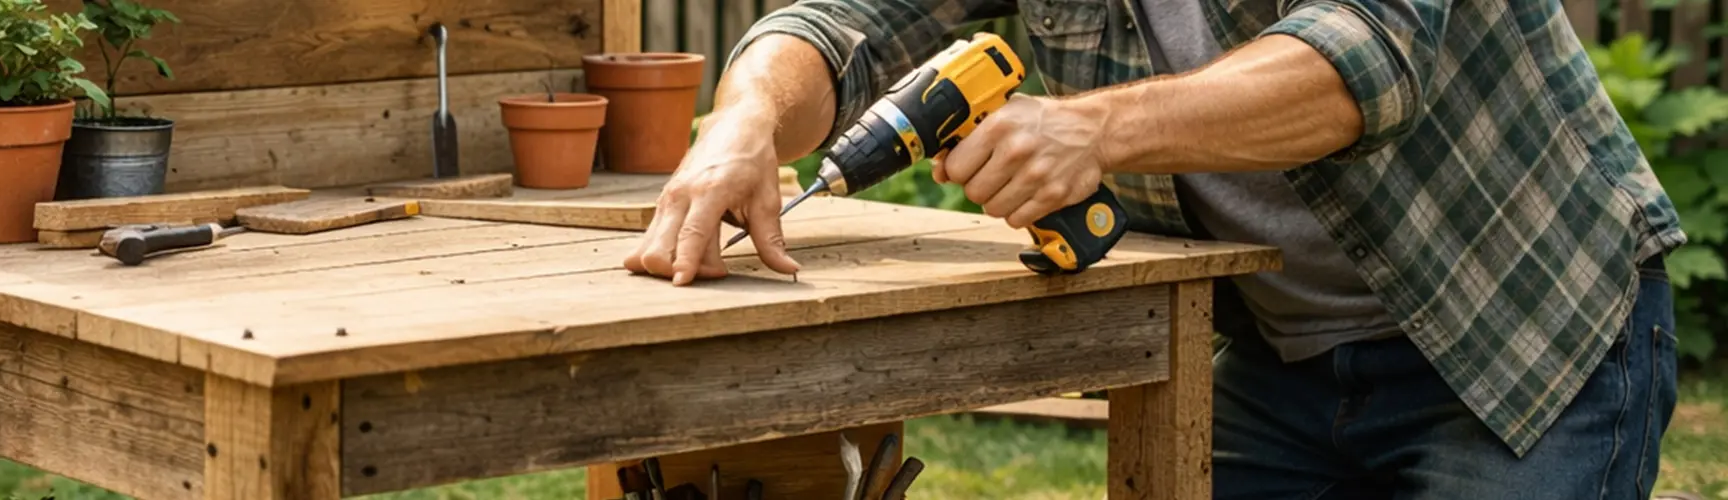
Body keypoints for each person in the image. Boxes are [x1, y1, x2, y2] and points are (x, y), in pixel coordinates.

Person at [620, 0, 1688, 497]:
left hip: (1522, 336)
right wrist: (745, 117)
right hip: (1285, 359)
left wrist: (1093, 127)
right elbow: (842, 22)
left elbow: (1370, 57)